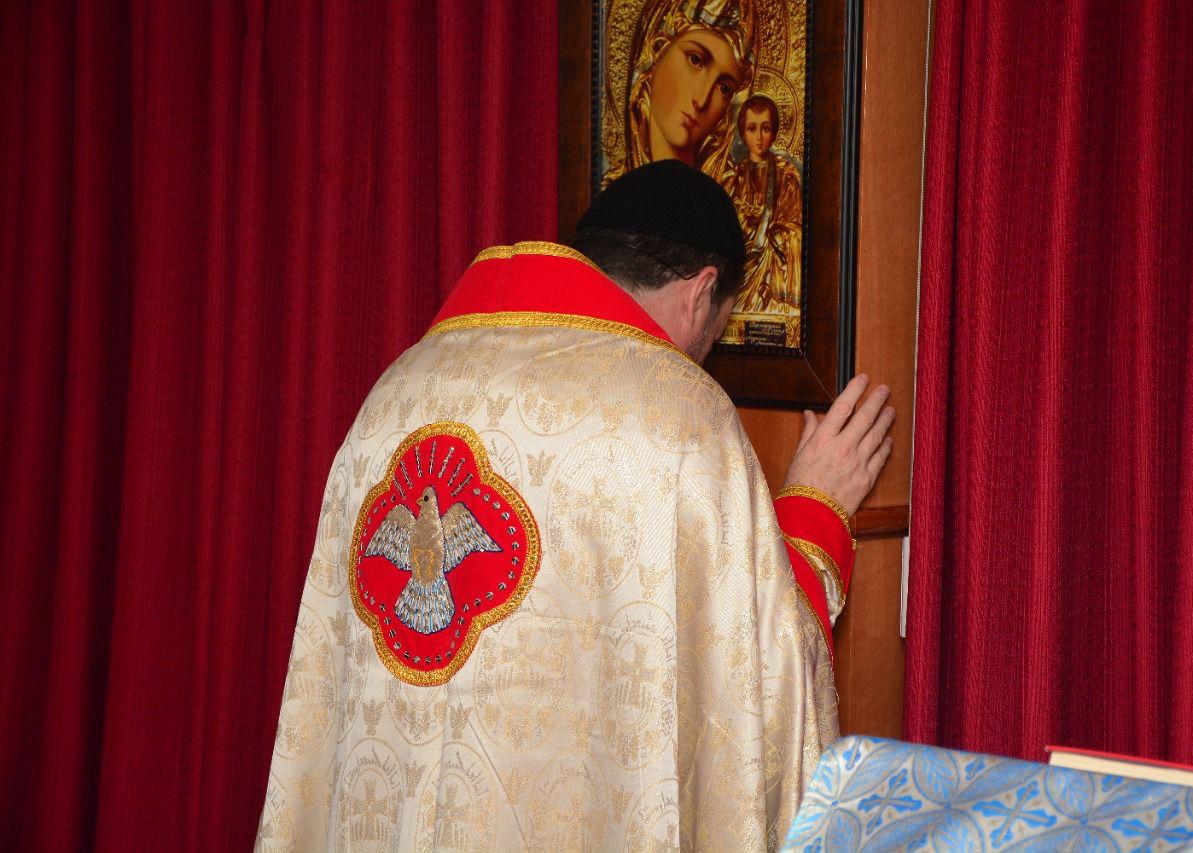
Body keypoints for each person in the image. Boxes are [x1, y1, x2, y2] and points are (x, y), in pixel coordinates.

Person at [255, 160, 893, 850]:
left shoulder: (396, 390)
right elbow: (760, 684)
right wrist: (814, 508)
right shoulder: (675, 413)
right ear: (703, 291)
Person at [604, 0, 755, 185]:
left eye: (724, 88)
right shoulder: (615, 195)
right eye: (695, 60)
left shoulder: (725, 201)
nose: (701, 100)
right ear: (658, 47)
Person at [722, 94, 804, 315]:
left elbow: (795, 223)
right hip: (742, 258)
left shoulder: (786, 175)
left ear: (775, 132)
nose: (759, 137)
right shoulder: (734, 177)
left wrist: (776, 233)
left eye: (765, 128)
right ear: (742, 132)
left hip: (771, 255)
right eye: (751, 129)